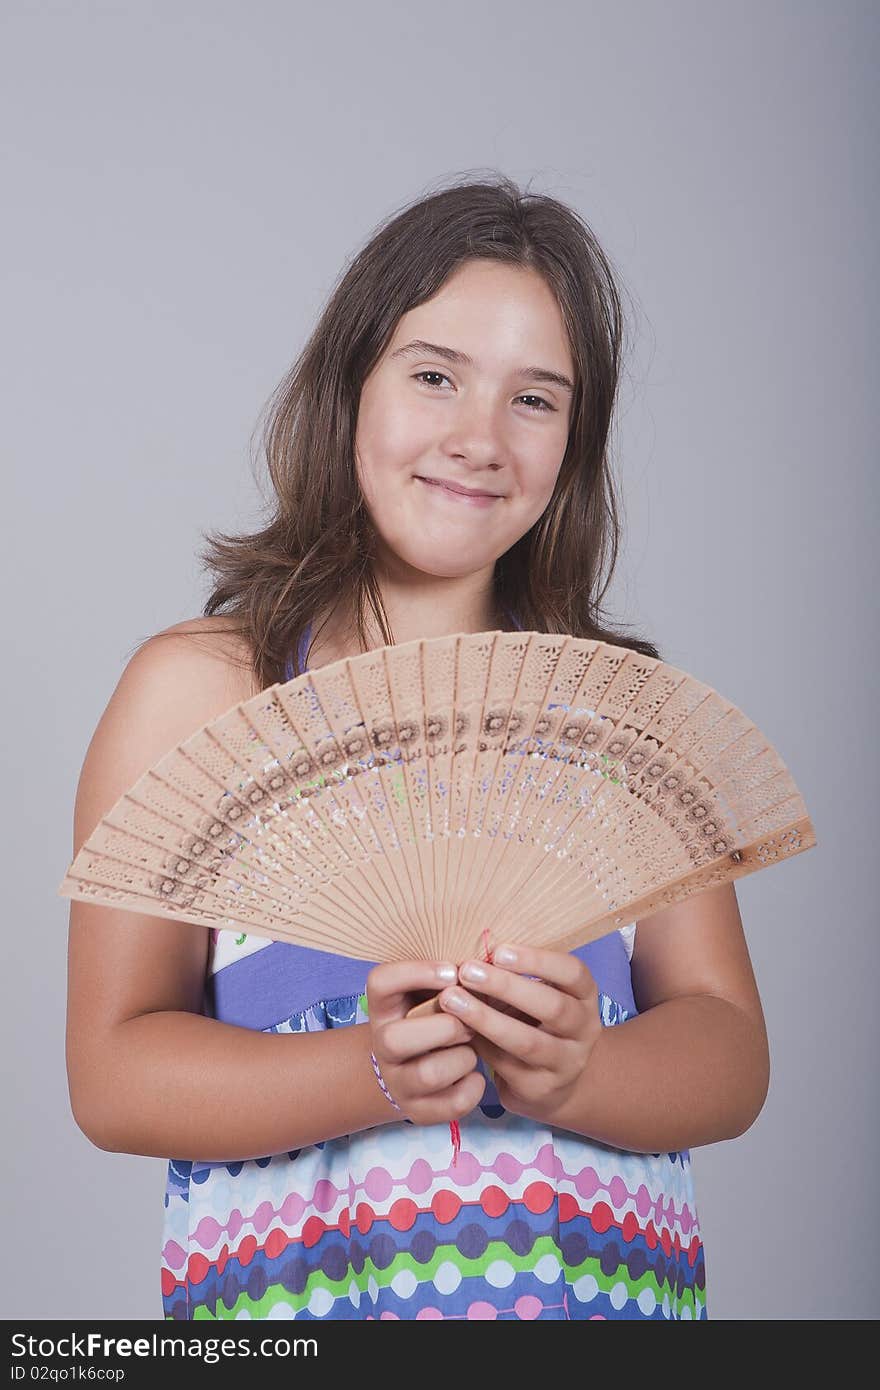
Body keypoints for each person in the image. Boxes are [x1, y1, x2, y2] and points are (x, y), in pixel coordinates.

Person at [65, 174, 770, 1321]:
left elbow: (730, 1051)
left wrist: (586, 1069)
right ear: (350, 387)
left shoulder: (620, 717)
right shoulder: (203, 693)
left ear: (573, 446)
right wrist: (372, 1074)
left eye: (535, 400)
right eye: (435, 375)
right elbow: (112, 1073)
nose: (476, 439)